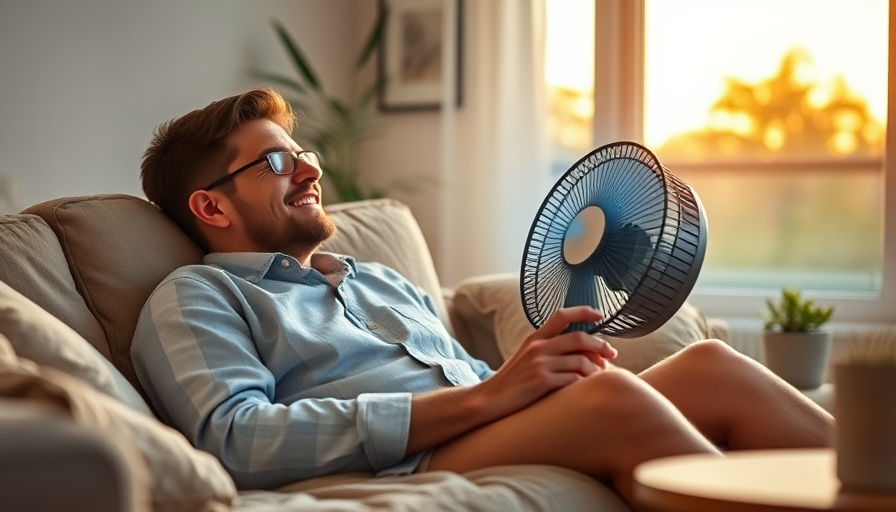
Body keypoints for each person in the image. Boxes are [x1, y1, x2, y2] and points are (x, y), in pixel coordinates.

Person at [133, 88, 833, 508]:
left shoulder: (374, 278)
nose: (312, 167)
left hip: (478, 425)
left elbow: (477, 389)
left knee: (712, 364)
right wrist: (485, 399)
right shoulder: (196, 295)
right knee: (616, 401)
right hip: (412, 459)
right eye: (278, 161)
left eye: (302, 150)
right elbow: (233, 438)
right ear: (211, 208)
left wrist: (524, 375)